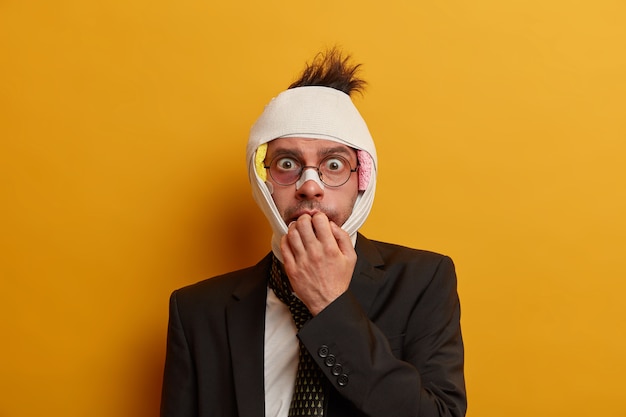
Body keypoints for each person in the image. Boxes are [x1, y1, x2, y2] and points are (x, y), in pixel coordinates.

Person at [160, 49, 467, 417]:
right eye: (287, 164)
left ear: (362, 180)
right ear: (263, 180)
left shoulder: (422, 282)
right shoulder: (197, 311)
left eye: (334, 164)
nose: (310, 186)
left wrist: (330, 304)